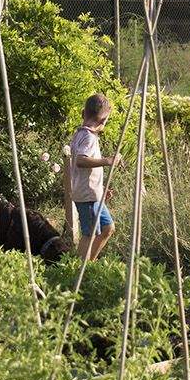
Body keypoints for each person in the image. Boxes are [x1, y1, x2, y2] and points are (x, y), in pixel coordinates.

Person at [68, 93, 122, 261]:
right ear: (103, 120)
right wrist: (108, 161)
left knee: (107, 228)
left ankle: (88, 265)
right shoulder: (89, 137)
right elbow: (81, 161)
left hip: (92, 194)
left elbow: (85, 171)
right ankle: (78, 269)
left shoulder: (79, 134)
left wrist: (100, 189)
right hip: (88, 196)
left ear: (83, 113)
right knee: (89, 233)